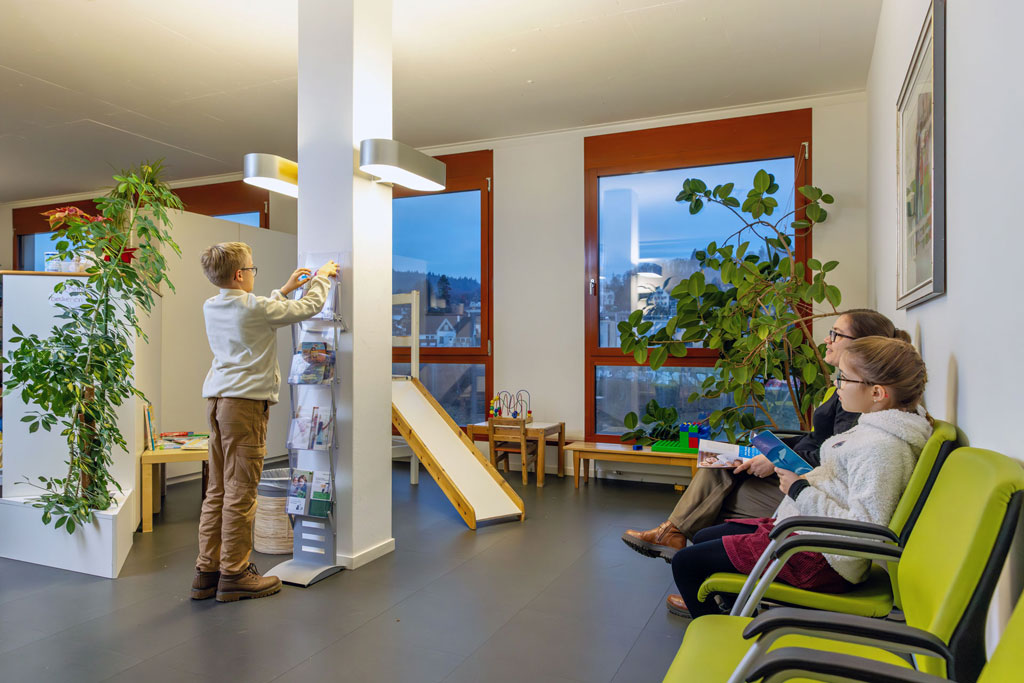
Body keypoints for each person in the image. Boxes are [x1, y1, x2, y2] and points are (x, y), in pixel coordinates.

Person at [666, 335, 932, 618]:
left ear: (877, 393)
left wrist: (799, 489)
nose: (836, 385)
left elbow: (864, 527)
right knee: (704, 536)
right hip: (807, 533)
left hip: (822, 558)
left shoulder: (882, 448)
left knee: (685, 563)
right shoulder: (873, 429)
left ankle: (724, 630)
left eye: (844, 378)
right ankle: (737, 612)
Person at [622, 309, 909, 562]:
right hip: (799, 469)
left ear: (860, 345)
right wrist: (773, 449)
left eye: (836, 334)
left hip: (805, 481)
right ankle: (679, 542)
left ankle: (683, 546)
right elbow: (816, 440)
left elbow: (832, 460)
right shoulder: (844, 390)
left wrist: (775, 459)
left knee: (716, 487)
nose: (827, 339)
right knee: (716, 459)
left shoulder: (859, 402)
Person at [191, 242, 339, 603]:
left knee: (218, 490)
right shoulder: (255, 308)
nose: (253, 275)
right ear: (239, 274)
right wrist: (322, 277)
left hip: (217, 404)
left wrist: (283, 290)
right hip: (244, 408)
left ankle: (207, 573)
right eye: (251, 269)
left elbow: (257, 311)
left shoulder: (213, 305)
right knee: (241, 492)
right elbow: (309, 307)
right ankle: (235, 574)